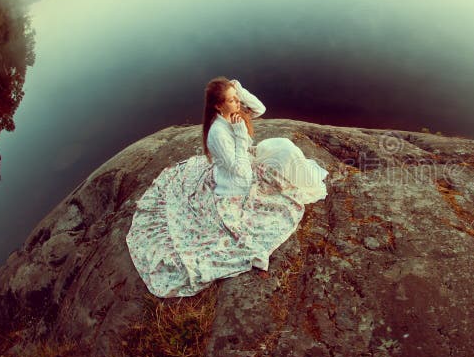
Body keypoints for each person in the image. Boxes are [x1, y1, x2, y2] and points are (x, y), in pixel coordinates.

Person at [125, 76, 329, 297]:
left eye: (236, 99)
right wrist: (241, 137)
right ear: (218, 105)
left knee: (284, 146)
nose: (237, 104)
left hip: (246, 166)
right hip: (235, 187)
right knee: (282, 165)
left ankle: (307, 179)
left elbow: (260, 109)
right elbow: (240, 173)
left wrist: (239, 91)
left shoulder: (233, 114)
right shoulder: (218, 133)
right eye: (231, 100)